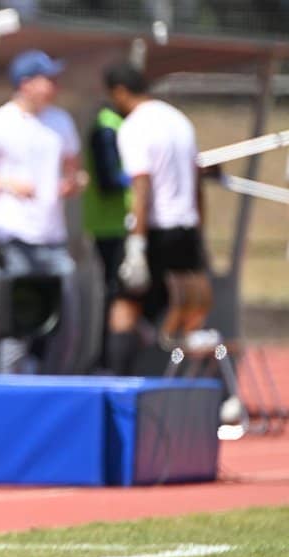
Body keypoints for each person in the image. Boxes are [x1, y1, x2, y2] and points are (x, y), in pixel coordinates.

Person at [0, 49, 82, 374]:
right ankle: (11, 390)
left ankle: (52, 384)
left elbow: (74, 169)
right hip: (13, 238)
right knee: (16, 323)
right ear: (25, 83)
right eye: (46, 78)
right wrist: (7, 183)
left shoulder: (60, 120)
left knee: (66, 322)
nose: (53, 85)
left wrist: (72, 182)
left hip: (52, 238)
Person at [103, 61, 209, 375]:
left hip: (155, 229)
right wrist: (199, 232)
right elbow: (197, 181)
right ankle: (186, 386)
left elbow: (142, 185)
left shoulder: (135, 126)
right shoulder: (179, 120)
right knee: (187, 311)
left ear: (120, 92)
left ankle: (119, 387)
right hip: (186, 228)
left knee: (124, 311)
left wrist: (136, 244)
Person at [82, 104, 130, 371]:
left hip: (117, 224)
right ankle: (107, 362)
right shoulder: (107, 128)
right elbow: (109, 179)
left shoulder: (115, 125)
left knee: (118, 295)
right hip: (111, 226)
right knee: (117, 295)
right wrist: (142, 179)